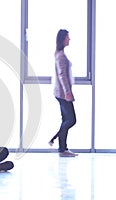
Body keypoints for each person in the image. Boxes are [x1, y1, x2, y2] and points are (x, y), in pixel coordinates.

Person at [50, 29, 77, 157]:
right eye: (67, 37)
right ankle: (61, 147)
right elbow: (62, 75)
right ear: (62, 39)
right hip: (62, 94)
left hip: (61, 93)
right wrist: (67, 92)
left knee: (66, 119)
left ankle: (62, 147)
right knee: (71, 120)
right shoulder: (60, 55)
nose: (69, 39)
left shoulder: (59, 53)